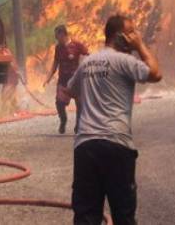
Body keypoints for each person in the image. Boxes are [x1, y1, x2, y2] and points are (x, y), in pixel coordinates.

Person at [67, 15, 162, 225]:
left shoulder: (87, 63)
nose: (134, 36)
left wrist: (92, 102)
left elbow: (71, 90)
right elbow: (155, 73)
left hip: (85, 147)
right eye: (131, 33)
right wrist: (140, 45)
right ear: (119, 37)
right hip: (116, 146)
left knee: (85, 218)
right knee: (123, 216)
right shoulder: (125, 61)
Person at [43, 25, 89, 134]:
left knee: (80, 103)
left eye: (57, 36)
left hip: (76, 81)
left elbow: (88, 54)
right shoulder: (58, 48)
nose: (56, 39)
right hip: (63, 80)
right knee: (59, 103)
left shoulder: (76, 45)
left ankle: (78, 125)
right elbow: (55, 63)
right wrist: (48, 78)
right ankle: (63, 120)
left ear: (63, 34)